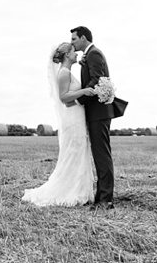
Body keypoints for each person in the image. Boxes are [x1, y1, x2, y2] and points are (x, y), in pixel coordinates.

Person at [21, 42, 97, 207]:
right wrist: (84, 91)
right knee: (73, 153)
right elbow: (64, 97)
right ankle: (69, 190)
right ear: (66, 55)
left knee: (78, 152)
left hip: (77, 117)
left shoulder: (67, 71)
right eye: (73, 51)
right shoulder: (63, 73)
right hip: (72, 119)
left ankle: (79, 189)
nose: (76, 53)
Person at [72, 25, 117, 210]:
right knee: (99, 155)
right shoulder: (89, 55)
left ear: (83, 38)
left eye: (74, 39)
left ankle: (106, 200)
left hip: (99, 113)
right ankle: (101, 196)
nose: (72, 42)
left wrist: (78, 99)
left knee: (102, 155)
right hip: (95, 113)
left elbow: (96, 80)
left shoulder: (94, 54)